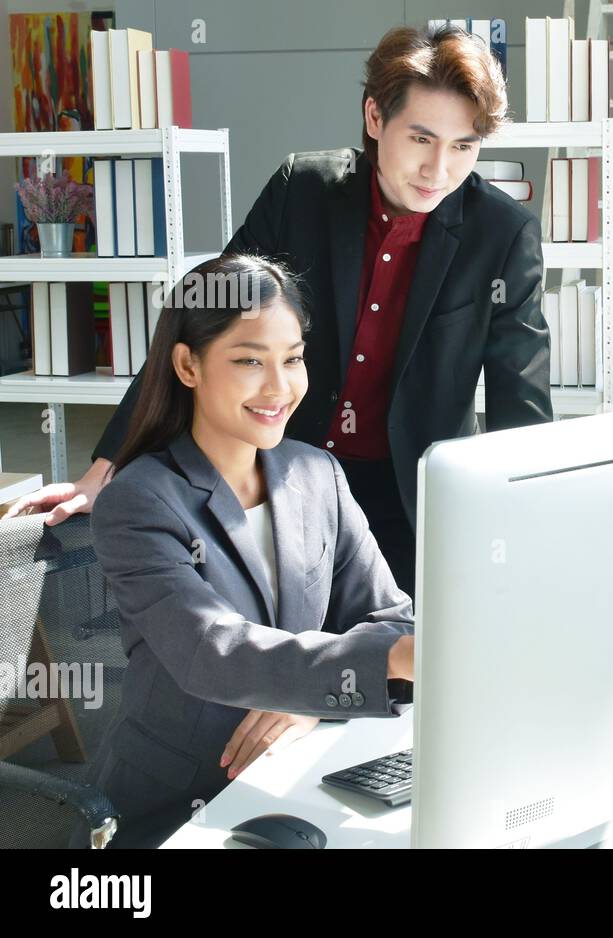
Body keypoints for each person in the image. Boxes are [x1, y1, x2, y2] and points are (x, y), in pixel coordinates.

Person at [5, 23, 552, 597]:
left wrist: (527, 528)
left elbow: (522, 402)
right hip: (280, 475)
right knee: (271, 657)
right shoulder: (303, 191)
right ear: (374, 117)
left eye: (463, 147)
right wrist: (107, 467)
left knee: (399, 667)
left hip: (410, 497)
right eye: (421, 139)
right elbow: (202, 318)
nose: (438, 170)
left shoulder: (502, 234)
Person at [72, 254, 416, 849]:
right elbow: (214, 652)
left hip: (293, 775)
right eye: (250, 361)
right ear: (188, 364)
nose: (279, 387)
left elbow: (391, 617)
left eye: (293, 358)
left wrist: (311, 706)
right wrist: (385, 661)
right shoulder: (138, 501)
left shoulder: (316, 474)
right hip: (176, 806)